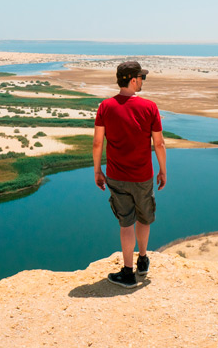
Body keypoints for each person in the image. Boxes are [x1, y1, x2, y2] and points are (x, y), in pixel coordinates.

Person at [93, 60, 167, 288]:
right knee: (144, 217)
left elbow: (97, 143)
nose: (143, 81)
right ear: (133, 80)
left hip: (116, 175)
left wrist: (97, 170)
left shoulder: (105, 106)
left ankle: (127, 273)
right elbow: (159, 144)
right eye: (141, 77)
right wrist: (163, 170)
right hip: (143, 176)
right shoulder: (150, 107)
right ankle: (142, 261)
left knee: (126, 224)